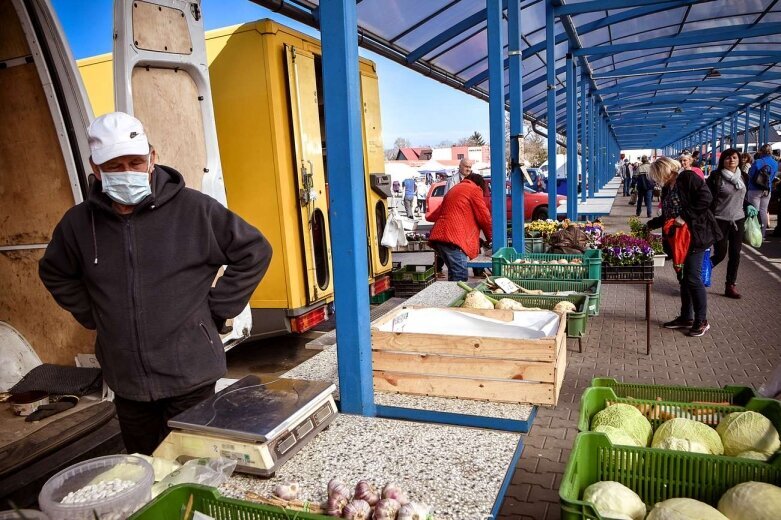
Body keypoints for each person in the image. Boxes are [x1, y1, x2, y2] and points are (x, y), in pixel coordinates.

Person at [39, 112, 272, 455]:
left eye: (135, 162)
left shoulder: (195, 209)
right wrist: (92, 314)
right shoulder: (78, 223)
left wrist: (218, 308)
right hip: (127, 381)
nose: (127, 172)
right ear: (95, 167)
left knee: (192, 465)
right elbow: (54, 271)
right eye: (115, 167)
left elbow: (254, 250)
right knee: (145, 467)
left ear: (153, 157)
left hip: (190, 375)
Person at [647, 157, 720, 337]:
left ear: (665, 170)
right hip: (679, 240)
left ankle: (701, 320)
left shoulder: (687, 178)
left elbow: (706, 198)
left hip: (696, 236)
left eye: (657, 174)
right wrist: (650, 224)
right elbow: (668, 214)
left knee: (692, 278)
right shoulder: (667, 188)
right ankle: (686, 316)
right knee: (683, 278)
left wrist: (684, 217)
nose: (657, 179)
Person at [426, 173, 492, 282]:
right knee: (460, 275)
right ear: (480, 184)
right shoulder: (474, 189)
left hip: (441, 236)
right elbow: (484, 217)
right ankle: (457, 298)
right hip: (454, 238)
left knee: (454, 273)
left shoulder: (456, 188)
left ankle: (452, 298)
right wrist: (491, 238)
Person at [707, 148, 753, 299]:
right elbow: (708, 198)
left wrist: (748, 205)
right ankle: (700, 273)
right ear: (723, 161)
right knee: (720, 254)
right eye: (727, 158)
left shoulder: (744, 177)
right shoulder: (716, 176)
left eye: (734, 157)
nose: (731, 160)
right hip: (719, 220)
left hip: (738, 220)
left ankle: (730, 285)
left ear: (739, 160)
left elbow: (740, 197)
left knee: (735, 254)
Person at [746, 144, 778, 238]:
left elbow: (750, 175)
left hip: (754, 189)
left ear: (761, 151)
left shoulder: (758, 162)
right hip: (767, 189)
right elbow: (772, 177)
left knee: (754, 211)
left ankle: (753, 233)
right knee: (763, 211)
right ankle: (762, 233)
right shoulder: (775, 163)